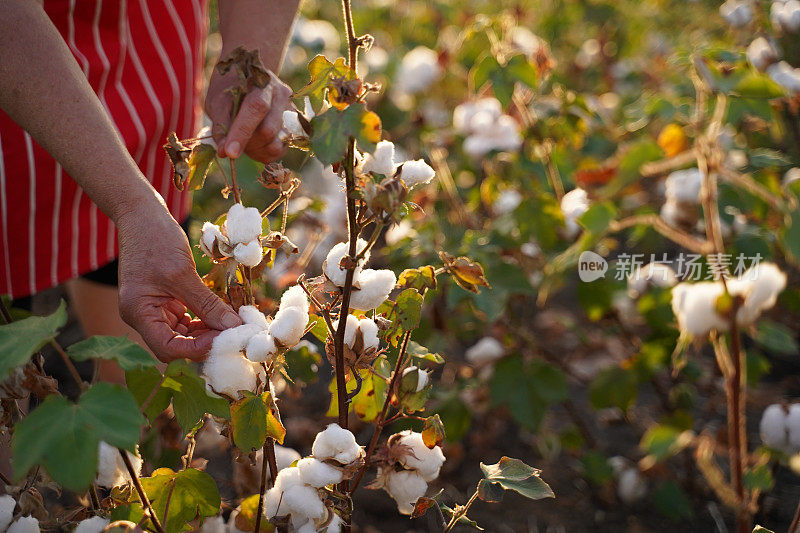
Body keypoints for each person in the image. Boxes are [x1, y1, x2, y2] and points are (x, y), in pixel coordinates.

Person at [0, 0, 299, 379]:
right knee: (10, 390)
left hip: (149, 36)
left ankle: (128, 435)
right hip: (16, 54)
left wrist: (250, 64)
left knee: (139, 372)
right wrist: (133, 206)